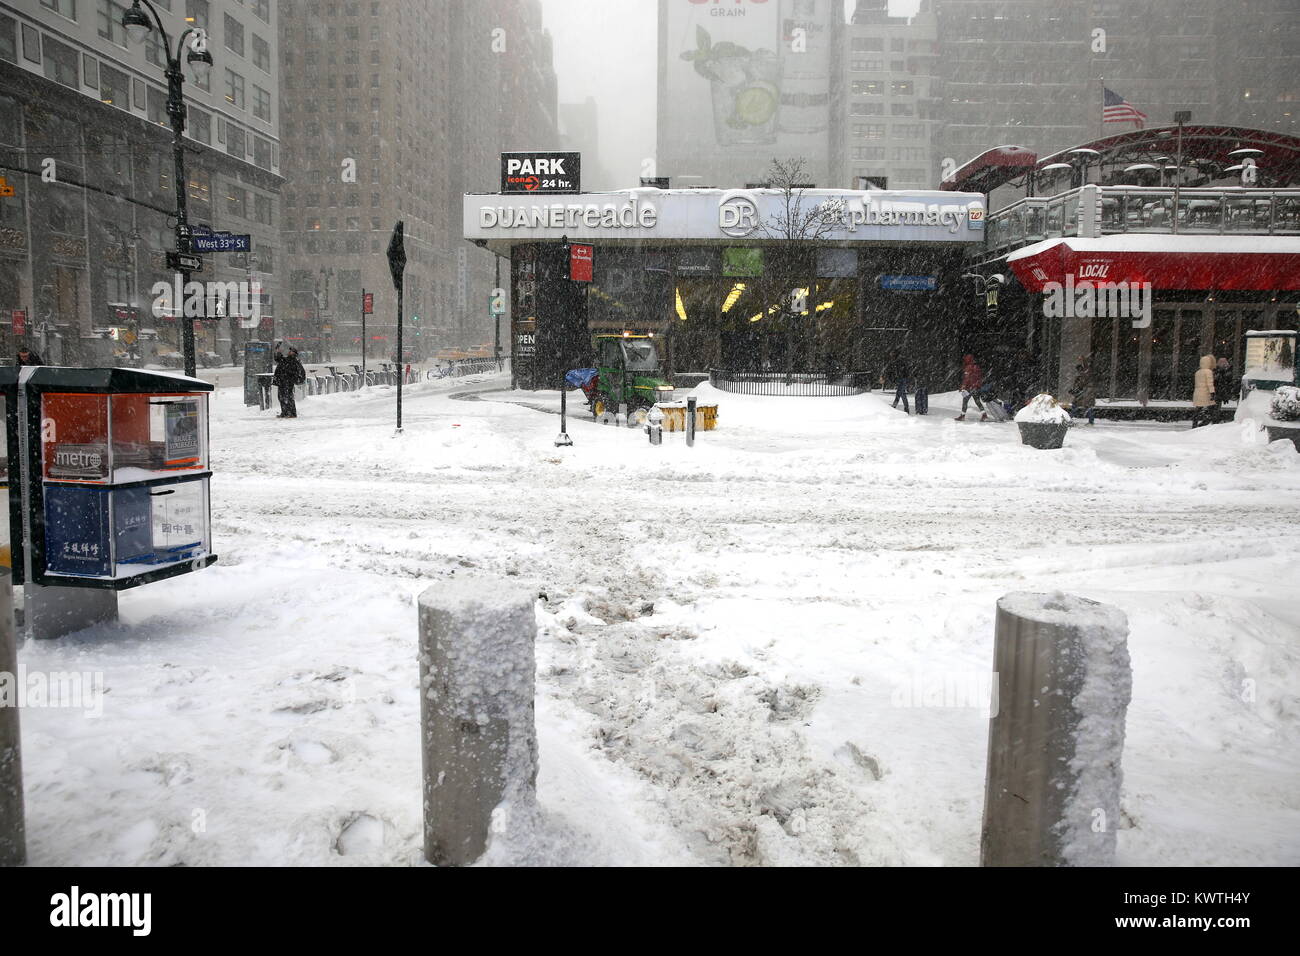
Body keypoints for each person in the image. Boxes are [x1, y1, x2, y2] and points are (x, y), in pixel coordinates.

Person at [272, 346, 306, 418]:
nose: (289, 352)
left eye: (291, 351)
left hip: (287, 382)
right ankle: (285, 412)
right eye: (289, 351)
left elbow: (299, 372)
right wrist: (278, 351)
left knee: (288, 397)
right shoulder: (287, 360)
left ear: (294, 353)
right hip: (282, 381)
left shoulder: (293, 361)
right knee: (281, 397)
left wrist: (292, 378)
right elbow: (278, 358)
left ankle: (292, 413)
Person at [955, 354, 988, 421]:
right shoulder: (976, 366)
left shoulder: (968, 367)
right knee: (977, 401)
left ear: (967, 360)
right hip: (975, 387)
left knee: (965, 401)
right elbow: (979, 377)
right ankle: (984, 415)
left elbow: (967, 379)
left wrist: (963, 387)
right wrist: (977, 385)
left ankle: (962, 416)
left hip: (969, 388)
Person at [1069, 358, 1097, 426]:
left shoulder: (1084, 375)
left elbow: (1080, 385)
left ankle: (1070, 420)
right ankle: (1090, 422)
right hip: (1085, 394)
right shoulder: (1083, 375)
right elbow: (1079, 386)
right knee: (1087, 407)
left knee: (1077, 406)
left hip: (1086, 394)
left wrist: (1083, 359)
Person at [1191, 354, 1216, 428]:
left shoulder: (1198, 372)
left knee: (1198, 409)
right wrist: (1212, 392)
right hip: (1205, 393)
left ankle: (1194, 424)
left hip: (1197, 393)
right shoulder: (1208, 372)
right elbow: (1210, 383)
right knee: (1211, 409)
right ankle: (1204, 424)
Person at [885, 349, 911, 414]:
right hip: (900, 379)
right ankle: (906, 408)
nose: (891, 355)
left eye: (892, 354)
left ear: (895, 354)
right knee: (902, 394)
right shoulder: (894, 361)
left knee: (899, 393)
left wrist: (900, 376)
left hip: (903, 379)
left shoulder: (899, 360)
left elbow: (903, 370)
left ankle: (894, 406)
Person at [1213, 357, 1235, 422]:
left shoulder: (1217, 371)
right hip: (1220, 391)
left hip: (1217, 391)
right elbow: (1226, 382)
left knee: (1216, 406)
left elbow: (1217, 382)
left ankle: (1215, 419)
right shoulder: (1225, 372)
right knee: (1217, 406)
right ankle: (1216, 419)